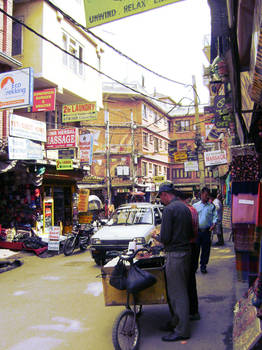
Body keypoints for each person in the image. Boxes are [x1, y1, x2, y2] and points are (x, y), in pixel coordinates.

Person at [156, 182, 193, 342]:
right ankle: (176, 322)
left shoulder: (169, 209)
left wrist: (156, 237)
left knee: (177, 294)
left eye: (161, 197)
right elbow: (191, 232)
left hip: (175, 255)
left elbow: (165, 237)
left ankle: (182, 330)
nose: (161, 200)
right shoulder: (185, 207)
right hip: (185, 252)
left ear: (165, 194)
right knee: (180, 291)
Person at [180, 192, 200, 321]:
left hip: (189, 246)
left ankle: (191, 311)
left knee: (188, 279)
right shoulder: (193, 210)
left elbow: (189, 232)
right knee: (190, 278)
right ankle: (193, 309)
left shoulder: (186, 211)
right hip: (194, 244)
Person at [193, 187, 217, 274]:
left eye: (208, 195)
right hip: (197, 232)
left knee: (206, 250)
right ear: (202, 194)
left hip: (207, 231)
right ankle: (194, 267)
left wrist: (214, 224)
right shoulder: (195, 206)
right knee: (195, 251)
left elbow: (215, 216)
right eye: (206, 195)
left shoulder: (211, 206)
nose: (207, 197)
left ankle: (203, 266)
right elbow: (191, 217)